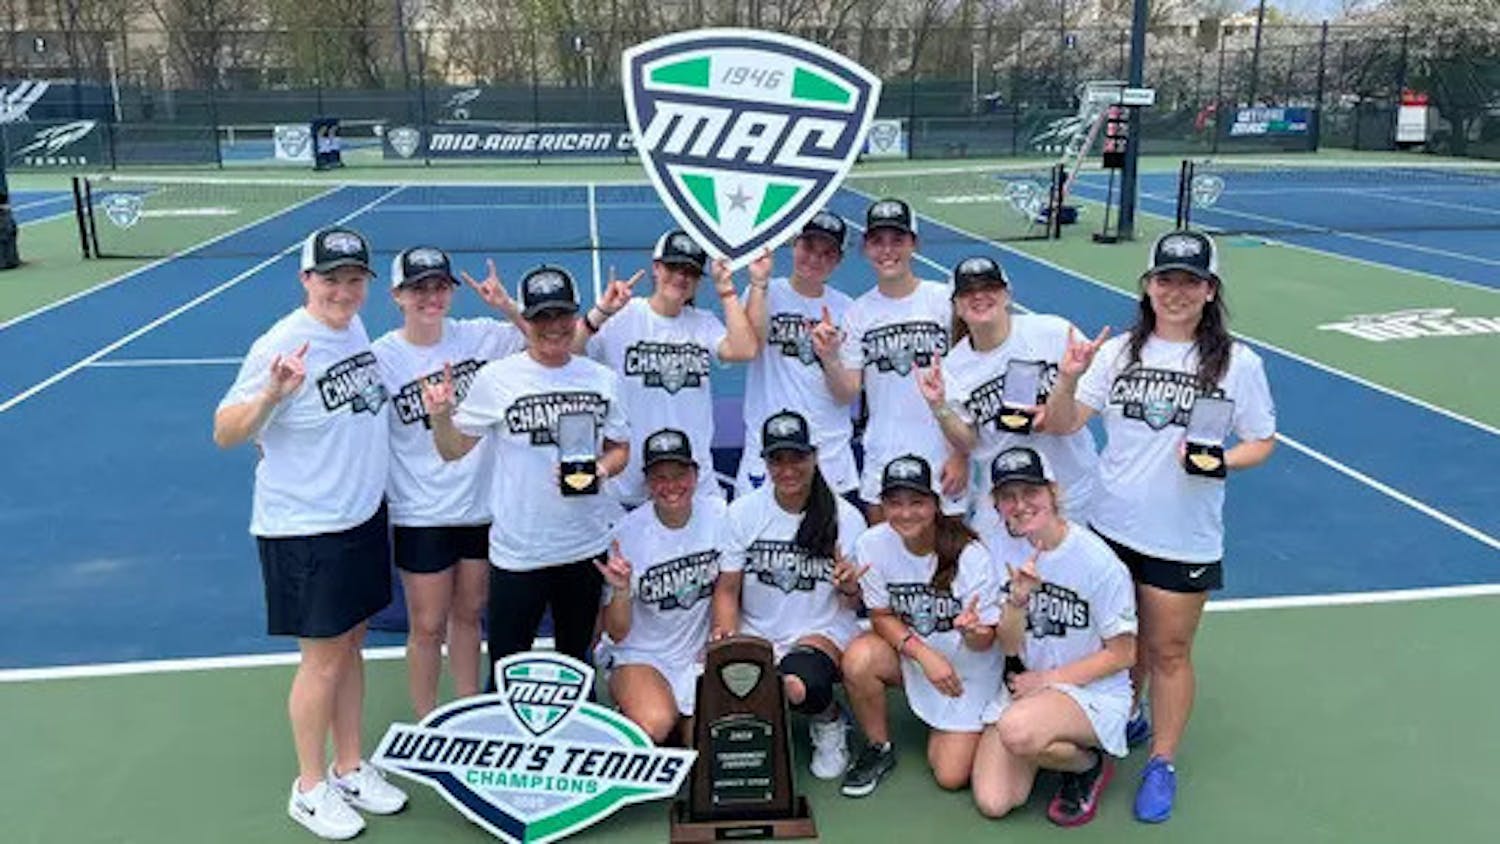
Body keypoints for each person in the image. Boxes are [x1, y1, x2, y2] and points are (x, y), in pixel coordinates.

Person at [1043, 230, 1276, 823]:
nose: (1176, 291)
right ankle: (1127, 716)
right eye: (1165, 279)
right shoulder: (1120, 351)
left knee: (1168, 650)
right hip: (1112, 526)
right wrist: (1069, 377)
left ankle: (1162, 761)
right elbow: (1066, 424)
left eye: (1189, 281)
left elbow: (1261, 441)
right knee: (1122, 645)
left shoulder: (1236, 362)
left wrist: (1219, 460)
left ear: (1209, 290)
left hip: (1182, 536)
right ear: (1147, 286)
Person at [213, 226, 407, 840]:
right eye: (331, 279)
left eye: (354, 280)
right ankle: (309, 785)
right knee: (320, 663)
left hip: (359, 516)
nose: (344, 291)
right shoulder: (282, 343)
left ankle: (349, 766)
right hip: (305, 528)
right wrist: (272, 392)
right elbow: (225, 432)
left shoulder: (350, 329)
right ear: (306, 280)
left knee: (351, 646)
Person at [425, 264, 630, 674]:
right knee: (508, 671)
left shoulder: (602, 379)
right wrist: (441, 417)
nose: (552, 327)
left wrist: (601, 471)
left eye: (561, 315)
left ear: (575, 317)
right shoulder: (497, 378)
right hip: (519, 553)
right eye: (541, 317)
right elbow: (451, 451)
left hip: (583, 549)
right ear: (527, 320)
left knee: (576, 666)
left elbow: (619, 448)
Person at [373, 248, 524, 717]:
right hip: (422, 510)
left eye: (439, 287)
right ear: (397, 295)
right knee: (427, 623)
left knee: (468, 613)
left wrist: (506, 305)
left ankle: (465, 712)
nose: (430, 297)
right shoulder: (381, 357)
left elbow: (544, 335)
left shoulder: (480, 337)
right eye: (419, 288)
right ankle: (427, 720)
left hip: (479, 506)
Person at [971, 446, 1137, 827]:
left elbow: (1123, 654)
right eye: (1008, 496)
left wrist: (1047, 681)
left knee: (1017, 730)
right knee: (994, 801)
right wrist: (1018, 600)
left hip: (1091, 689)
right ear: (996, 504)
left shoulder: (1098, 562)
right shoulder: (995, 548)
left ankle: (1087, 764)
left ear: (1053, 494)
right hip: (1031, 688)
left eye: (1031, 493)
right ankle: (1049, 743)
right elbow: (1010, 645)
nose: (1020, 505)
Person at [713, 409, 869, 780]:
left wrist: (848, 585)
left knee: (796, 685)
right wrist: (724, 639)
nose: (787, 469)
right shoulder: (743, 513)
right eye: (777, 459)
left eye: (797, 458)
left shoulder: (845, 517)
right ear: (764, 462)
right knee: (730, 691)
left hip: (821, 629)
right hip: (758, 629)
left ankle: (829, 719)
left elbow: (851, 603)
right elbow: (727, 588)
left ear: (814, 457)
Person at [839, 454, 1001, 798]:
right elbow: (881, 615)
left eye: (917, 502)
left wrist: (975, 633)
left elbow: (987, 641)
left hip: (967, 667)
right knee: (858, 657)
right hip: (918, 656)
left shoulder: (970, 554)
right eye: (895, 503)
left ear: (936, 504)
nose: (906, 512)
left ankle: (985, 723)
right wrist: (924, 655)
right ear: (882, 505)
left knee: (951, 775)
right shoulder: (872, 543)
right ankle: (878, 746)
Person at [917, 255, 1099, 532]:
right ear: (957, 307)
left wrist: (1062, 405)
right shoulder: (953, 367)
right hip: (1008, 500)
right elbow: (967, 440)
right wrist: (938, 406)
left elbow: (1097, 388)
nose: (979, 297)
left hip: (1072, 491)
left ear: (1007, 295)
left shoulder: (1052, 331)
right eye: (967, 292)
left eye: (989, 288)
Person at [576, 229, 758, 506]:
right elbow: (570, 351)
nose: (681, 277)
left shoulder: (704, 323)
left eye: (691, 272)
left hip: (693, 484)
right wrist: (601, 312)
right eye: (673, 267)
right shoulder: (622, 316)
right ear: (656, 268)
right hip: (628, 485)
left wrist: (727, 291)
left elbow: (744, 349)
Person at [810, 198, 964, 522]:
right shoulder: (858, 313)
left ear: (914, 244)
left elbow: (970, 379)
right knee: (884, 561)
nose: (887, 250)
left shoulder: (945, 302)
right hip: (883, 455)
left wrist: (960, 454)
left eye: (897, 240)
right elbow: (847, 392)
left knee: (948, 564)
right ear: (866, 247)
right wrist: (830, 358)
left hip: (943, 457)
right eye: (878, 241)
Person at [596, 428, 726, 744]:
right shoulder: (625, 535)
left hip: (695, 656)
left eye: (679, 475)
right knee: (655, 724)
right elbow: (616, 632)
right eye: (660, 478)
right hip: (640, 654)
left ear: (695, 475)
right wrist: (622, 590)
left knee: (710, 741)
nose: (671, 487)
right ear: (647, 483)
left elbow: (732, 590)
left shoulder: (720, 516)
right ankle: (633, 711)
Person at [735, 210, 859, 501]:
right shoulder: (764, 293)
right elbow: (752, 345)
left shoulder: (849, 310)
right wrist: (759, 284)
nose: (816, 259)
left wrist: (829, 357)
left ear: (838, 260)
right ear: (794, 245)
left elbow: (847, 394)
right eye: (809, 247)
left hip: (829, 452)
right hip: (767, 450)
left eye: (827, 253)